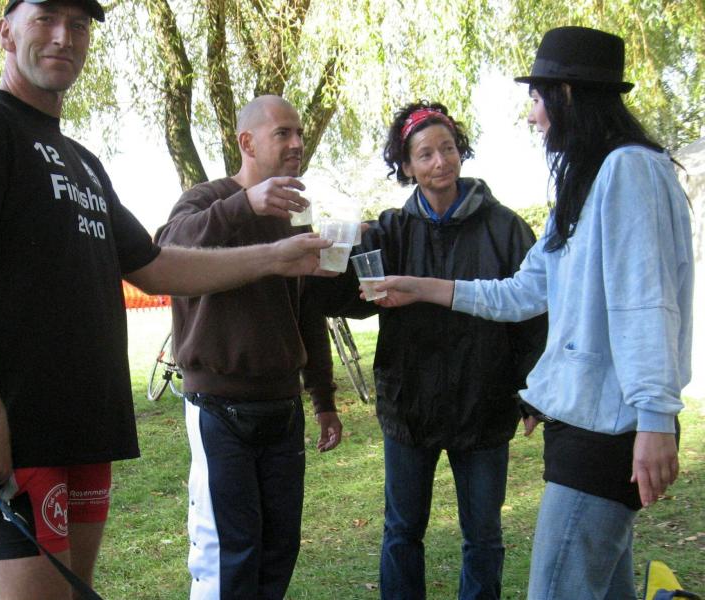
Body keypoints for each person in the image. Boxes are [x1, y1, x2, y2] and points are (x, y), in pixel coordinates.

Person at [0, 2, 332, 598]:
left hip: (84, 427)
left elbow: (156, 266)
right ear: (6, 31)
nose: (64, 37)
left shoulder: (83, 163)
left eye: (80, 25)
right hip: (18, 430)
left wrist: (276, 257)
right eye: (45, 18)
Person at [373, 26, 693, 600]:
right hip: (578, 420)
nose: (531, 116)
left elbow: (646, 303)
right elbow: (522, 292)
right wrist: (422, 288)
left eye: (537, 99)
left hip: (608, 427)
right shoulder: (586, 179)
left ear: (566, 96)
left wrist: (654, 418)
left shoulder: (628, 170)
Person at [312, 100, 547, 599]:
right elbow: (347, 301)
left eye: (448, 148)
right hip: (410, 405)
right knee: (402, 530)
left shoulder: (505, 229)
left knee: (483, 536)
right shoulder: (390, 231)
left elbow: (533, 315)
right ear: (406, 166)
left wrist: (531, 393)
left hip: (484, 405)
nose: (441, 162)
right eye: (425, 154)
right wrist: (334, 252)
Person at [154, 95, 343, 600]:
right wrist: (245, 204)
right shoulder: (206, 199)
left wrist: (322, 398)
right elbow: (166, 249)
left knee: (279, 549)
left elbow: (306, 312)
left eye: (299, 132)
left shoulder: (294, 216)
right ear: (247, 142)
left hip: (283, 409)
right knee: (227, 554)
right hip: (219, 408)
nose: (297, 142)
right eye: (283, 133)